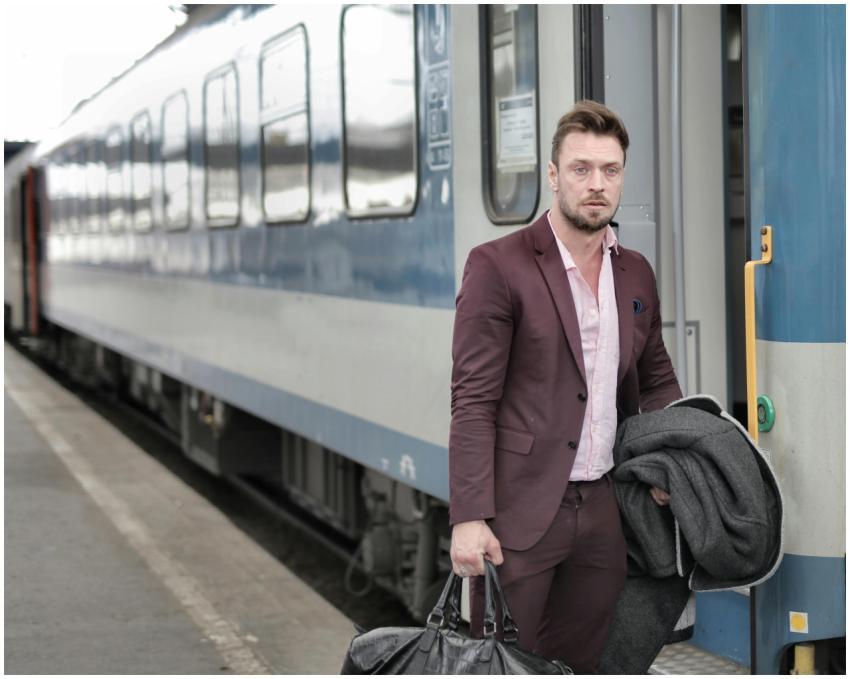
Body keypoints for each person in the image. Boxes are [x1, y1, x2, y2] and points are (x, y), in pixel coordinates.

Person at [448, 100, 683, 673]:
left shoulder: (635, 272)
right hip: (519, 514)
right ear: (553, 175)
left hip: (602, 511)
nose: (596, 184)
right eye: (581, 169)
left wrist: (673, 467)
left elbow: (656, 382)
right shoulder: (498, 266)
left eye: (610, 170)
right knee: (499, 663)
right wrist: (469, 515)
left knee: (583, 661)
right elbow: (473, 400)